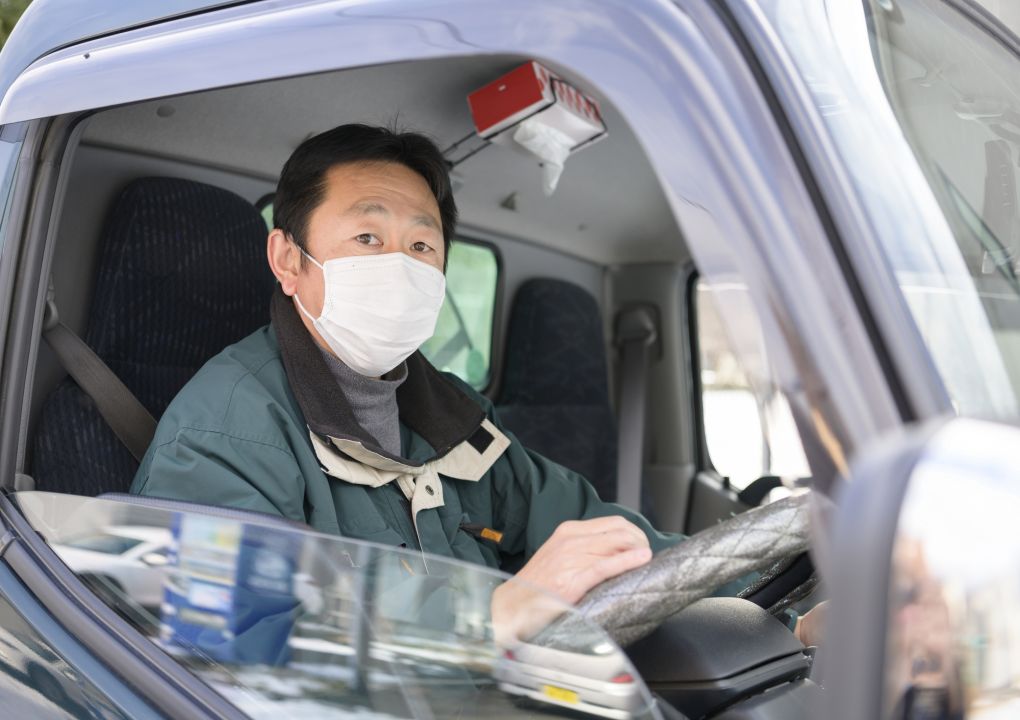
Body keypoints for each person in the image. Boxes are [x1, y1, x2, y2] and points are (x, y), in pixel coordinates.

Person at [129, 123, 819, 643]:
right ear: (288, 259)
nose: (399, 265)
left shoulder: (452, 418)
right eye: (368, 238)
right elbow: (228, 633)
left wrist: (778, 608)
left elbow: (601, 536)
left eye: (421, 245)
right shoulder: (224, 429)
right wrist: (491, 613)